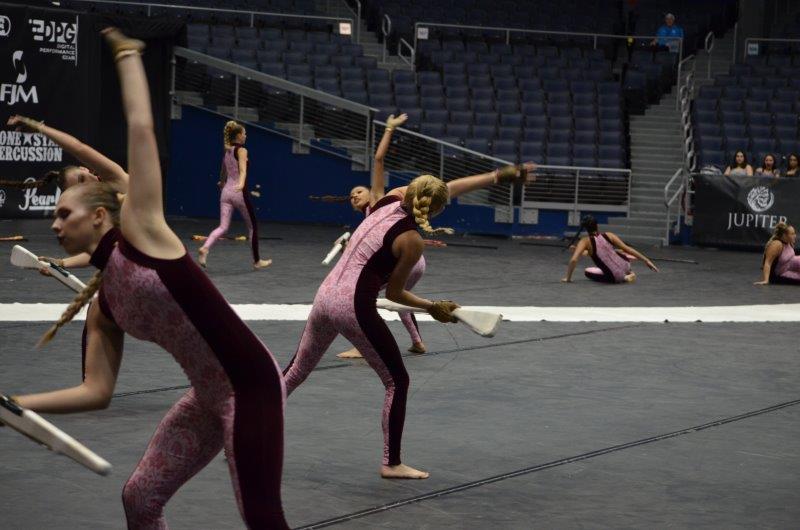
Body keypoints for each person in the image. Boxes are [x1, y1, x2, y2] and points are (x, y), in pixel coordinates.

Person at [8, 29, 289, 529]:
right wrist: (14, 405)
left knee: (262, 518)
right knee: (139, 498)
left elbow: (140, 127)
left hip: (251, 389)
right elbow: (95, 392)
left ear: (99, 216)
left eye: (63, 214)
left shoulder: (142, 232)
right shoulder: (104, 305)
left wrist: (127, 55)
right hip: (206, 396)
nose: (54, 225)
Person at [283, 174, 479, 480]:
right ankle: (392, 462)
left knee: (295, 371)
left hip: (325, 295)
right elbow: (395, 294)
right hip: (353, 305)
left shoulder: (388, 200)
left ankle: (243, 430)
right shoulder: (411, 240)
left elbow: (441, 188)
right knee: (396, 381)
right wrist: (433, 307)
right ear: (438, 209)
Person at [338, 115, 534, 358]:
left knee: (363, 295)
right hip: (412, 258)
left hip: (404, 260)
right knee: (397, 298)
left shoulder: (384, 199)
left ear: (370, 192)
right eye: (351, 196)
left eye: (358, 191)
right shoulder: (398, 214)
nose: (355, 196)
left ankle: (363, 345)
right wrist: (499, 176)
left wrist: (388, 128)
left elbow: (379, 159)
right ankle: (417, 341)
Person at [198, 120, 272, 269]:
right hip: (239, 193)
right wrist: (242, 183)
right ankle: (257, 261)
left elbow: (222, 173)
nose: (246, 136)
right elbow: (243, 170)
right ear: (238, 135)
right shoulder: (242, 150)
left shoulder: (227, 151)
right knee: (252, 227)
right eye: (244, 133)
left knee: (223, 227)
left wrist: (221, 183)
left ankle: (205, 248)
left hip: (225, 193)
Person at [3, 115, 129, 194]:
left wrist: (40, 128)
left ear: (84, 169)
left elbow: (78, 148)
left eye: (82, 179)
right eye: (79, 190)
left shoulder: (113, 179)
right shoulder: (91, 212)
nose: (87, 186)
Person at [562, 215, 658, 283]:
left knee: (587, 271)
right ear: (597, 225)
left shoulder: (584, 241)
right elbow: (628, 249)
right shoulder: (609, 235)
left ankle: (624, 278)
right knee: (612, 252)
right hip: (626, 264)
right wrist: (647, 260)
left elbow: (574, 260)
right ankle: (629, 272)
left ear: (585, 228)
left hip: (614, 276)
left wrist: (568, 278)